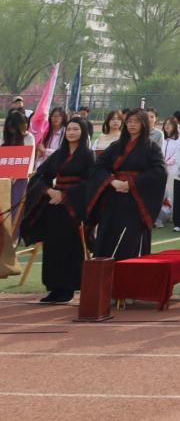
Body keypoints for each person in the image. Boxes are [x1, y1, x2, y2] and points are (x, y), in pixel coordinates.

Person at [19, 116, 94, 303]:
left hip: (73, 208)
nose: (71, 133)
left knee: (70, 248)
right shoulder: (59, 154)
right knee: (52, 247)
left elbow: (91, 183)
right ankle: (54, 288)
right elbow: (40, 176)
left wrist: (66, 195)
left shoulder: (88, 155)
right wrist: (48, 191)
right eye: (69, 129)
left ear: (83, 132)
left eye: (76, 129)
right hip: (54, 206)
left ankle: (68, 288)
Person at [85, 110, 167, 260]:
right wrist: (112, 181)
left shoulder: (151, 147)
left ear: (143, 124)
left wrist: (132, 184)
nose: (132, 125)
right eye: (129, 121)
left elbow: (160, 171)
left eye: (136, 121)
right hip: (113, 199)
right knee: (108, 238)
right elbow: (97, 167)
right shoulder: (116, 146)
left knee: (130, 242)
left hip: (136, 202)